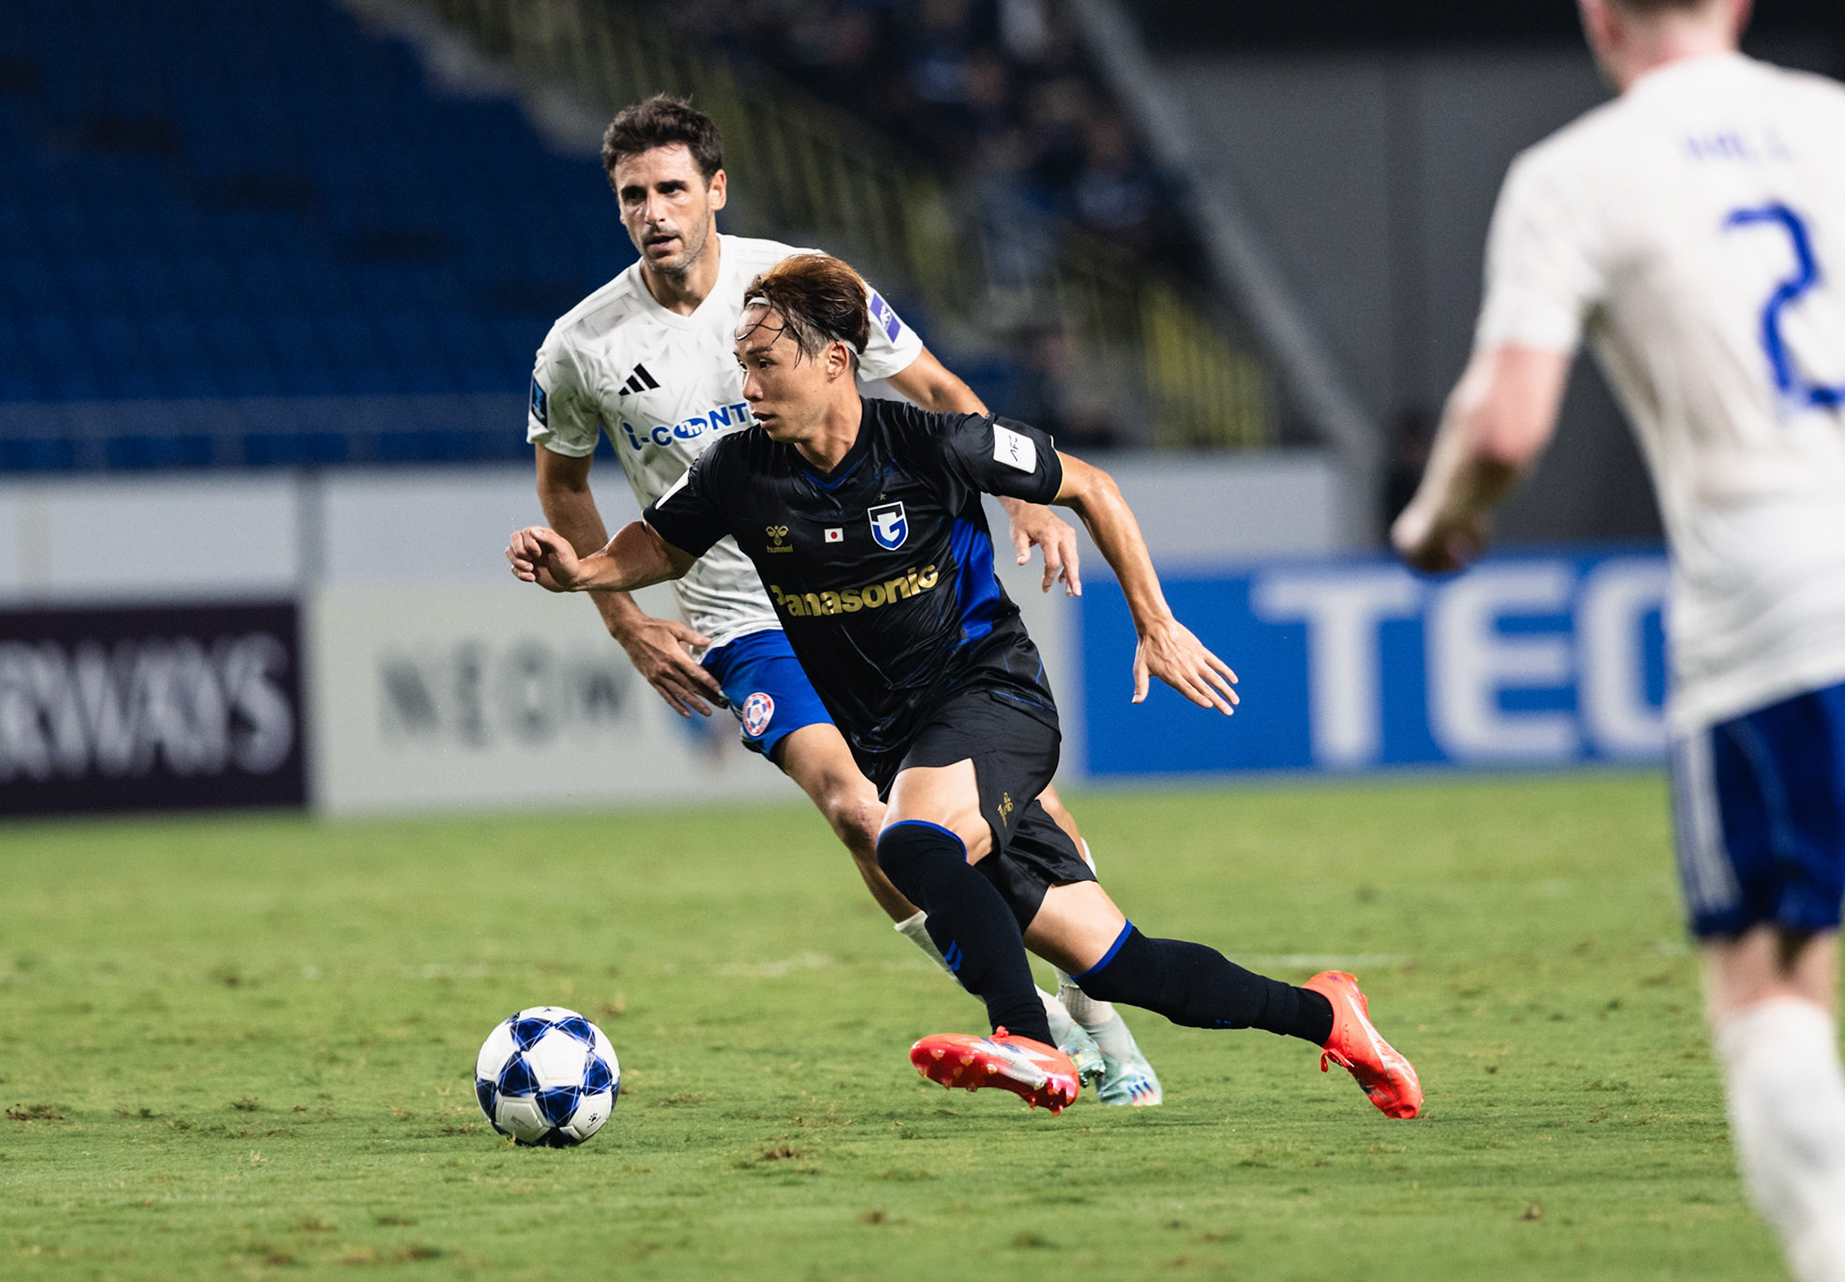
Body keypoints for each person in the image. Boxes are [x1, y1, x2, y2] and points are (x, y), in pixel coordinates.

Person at [509, 251, 1423, 1120]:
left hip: (995, 701)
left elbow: (1094, 487)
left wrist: (1154, 621)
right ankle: (1329, 1016)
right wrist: (579, 573)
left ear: (836, 361)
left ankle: (1029, 1039)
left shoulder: (934, 445)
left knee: (905, 840)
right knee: (1122, 965)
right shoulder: (743, 471)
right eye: (741, 366)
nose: (745, 389)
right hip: (904, 742)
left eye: (763, 365)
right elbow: (658, 546)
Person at [528, 94, 1161, 1104]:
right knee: (858, 813)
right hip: (743, 613)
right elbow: (564, 487)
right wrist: (628, 623)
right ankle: (1028, 1022)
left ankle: (1100, 1010)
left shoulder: (803, 292)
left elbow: (941, 389)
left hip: (881, 589)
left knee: (1012, 812)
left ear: (715, 191)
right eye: (632, 195)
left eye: (672, 189)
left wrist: (1030, 497)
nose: (653, 212)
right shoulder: (582, 344)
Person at [1392, 1, 1845, 1274]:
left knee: (1772, 978)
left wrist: (1437, 523)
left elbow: (1505, 426)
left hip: (1775, 604)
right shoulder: (1834, 126)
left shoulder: (1577, 173)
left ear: (1600, 17)